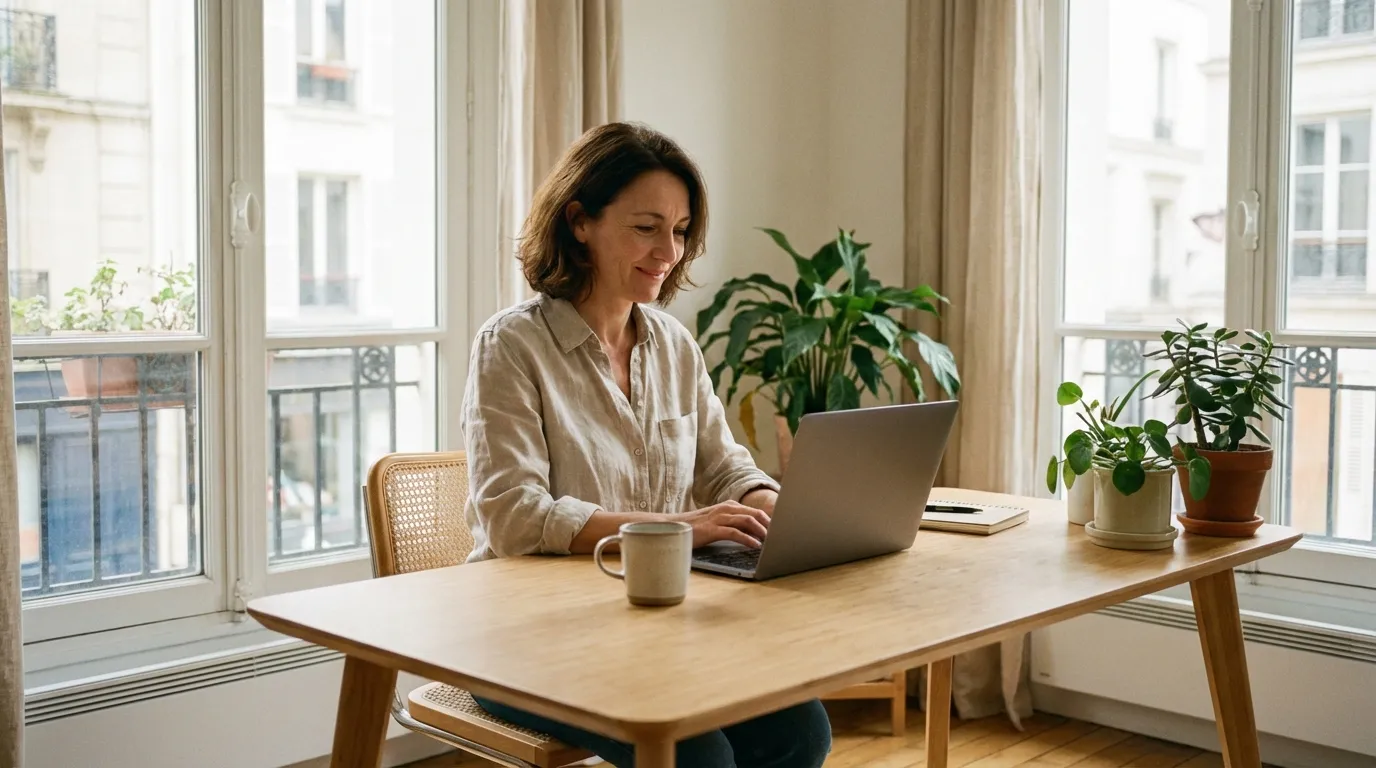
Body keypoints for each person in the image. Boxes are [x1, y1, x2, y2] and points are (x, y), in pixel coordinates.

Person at [462, 121, 832, 768]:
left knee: (801, 730)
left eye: (681, 229)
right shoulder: (512, 346)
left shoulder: (674, 345)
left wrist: (770, 504)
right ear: (580, 222)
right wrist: (678, 527)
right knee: (699, 757)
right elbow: (515, 518)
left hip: (654, 626)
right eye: (646, 227)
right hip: (523, 642)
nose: (670, 249)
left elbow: (724, 467)